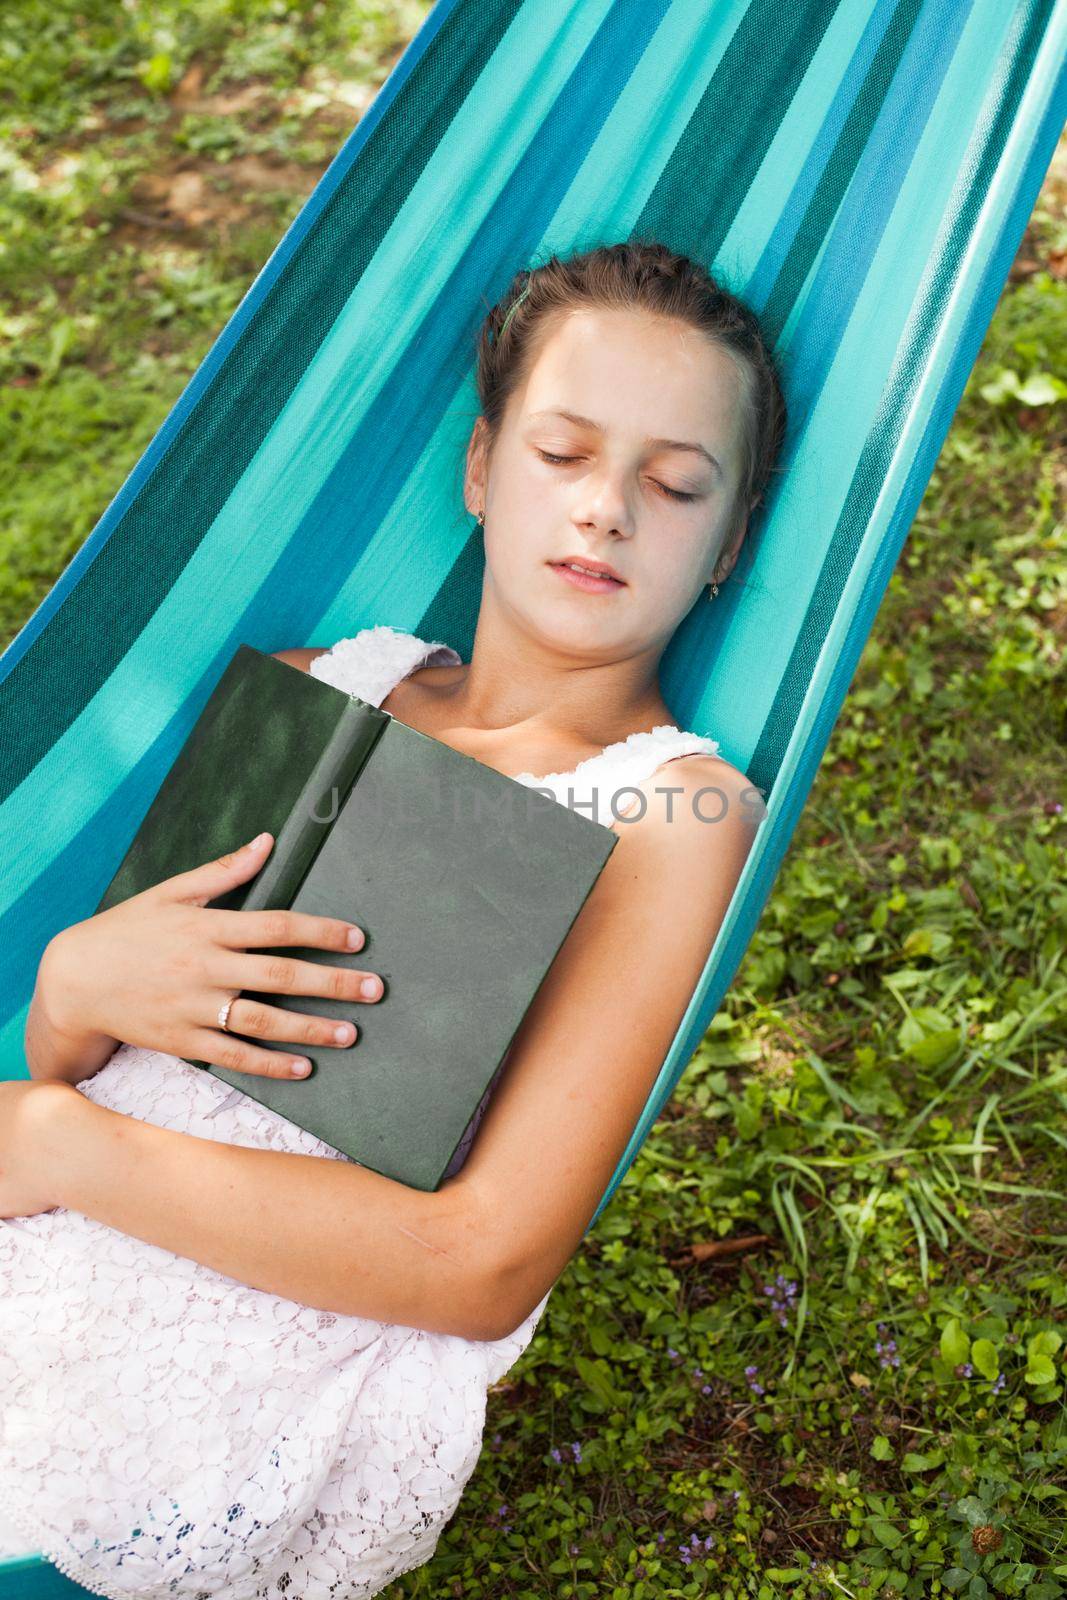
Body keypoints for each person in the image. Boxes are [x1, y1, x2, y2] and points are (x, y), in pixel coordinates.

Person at [0, 239, 786, 1598]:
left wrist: (64, 1142)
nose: (605, 510)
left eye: (671, 487)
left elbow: (481, 1263)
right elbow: (76, 1045)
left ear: (729, 545)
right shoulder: (325, 684)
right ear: (481, 468)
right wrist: (70, 984)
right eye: (562, 454)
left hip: (263, 1330)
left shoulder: (672, 812)